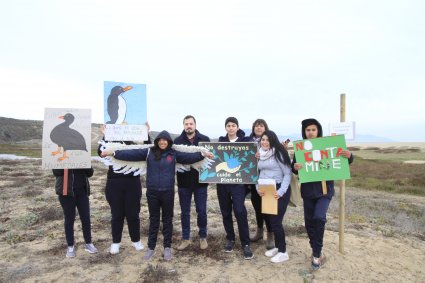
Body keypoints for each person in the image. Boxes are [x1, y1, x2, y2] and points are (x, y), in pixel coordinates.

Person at [101, 130, 213, 261]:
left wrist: (202, 154)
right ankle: (151, 248)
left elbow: (189, 157)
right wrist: (113, 153)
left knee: (167, 220)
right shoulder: (149, 152)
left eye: (165, 140)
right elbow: (131, 154)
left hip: (168, 192)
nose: (162, 142)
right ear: (157, 141)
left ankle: (167, 248)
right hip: (152, 193)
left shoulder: (174, 153)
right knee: (154, 220)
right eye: (160, 140)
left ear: (169, 142)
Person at [291, 118, 354, 270]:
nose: (311, 132)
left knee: (319, 218)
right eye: (308, 130)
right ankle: (316, 250)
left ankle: (317, 254)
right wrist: (295, 166)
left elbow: (345, 159)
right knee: (309, 223)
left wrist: (349, 155)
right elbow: (294, 169)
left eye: (313, 129)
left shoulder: (328, 144)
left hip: (324, 191)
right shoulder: (301, 148)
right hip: (307, 191)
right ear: (304, 132)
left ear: (318, 130)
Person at [97, 124, 151, 255]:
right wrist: (106, 135)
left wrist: (146, 133)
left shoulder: (133, 142)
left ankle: (136, 240)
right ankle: (116, 242)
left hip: (133, 181)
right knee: (117, 214)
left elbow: (148, 151)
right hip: (114, 182)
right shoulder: (111, 141)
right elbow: (101, 152)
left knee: (133, 214)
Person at [216, 117, 254, 260]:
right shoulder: (221, 142)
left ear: (237, 127)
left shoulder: (245, 142)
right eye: (228, 125)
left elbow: (250, 157)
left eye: (233, 125)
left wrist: (254, 155)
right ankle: (230, 239)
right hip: (222, 184)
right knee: (225, 212)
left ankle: (245, 243)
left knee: (239, 211)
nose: (231, 128)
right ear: (225, 127)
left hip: (238, 184)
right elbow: (217, 158)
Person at [174, 115, 210, 251]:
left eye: (191, 124)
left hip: (201, 182)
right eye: (186, 124)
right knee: (185, 212)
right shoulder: (177, 141)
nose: (188, 126)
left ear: (195, 125)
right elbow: (180, 158)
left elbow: (211, 159)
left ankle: (203, 237)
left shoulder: (204, 140)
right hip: (184, 182)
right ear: (183, 125)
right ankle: (185, 238)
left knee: (201, 211)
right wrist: (199, 156)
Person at [256, 130, 292, 263]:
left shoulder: (279, 153)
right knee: (271, 221)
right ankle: (278, 247)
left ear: (273, 140)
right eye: (263, 140)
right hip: (266, 190)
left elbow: (288, 174)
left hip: (279, 190)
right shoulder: (261, 154)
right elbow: (260, 172)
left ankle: (283, 252)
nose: (265, 142)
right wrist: (258, 188)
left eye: (267, 140)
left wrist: (281, 191)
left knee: (276, 222)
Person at [53, 168, 98, 258]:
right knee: (69, 219)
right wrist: (66, 164)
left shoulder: (82, 155)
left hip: (82, 192)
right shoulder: (61, 156)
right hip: (66, 193)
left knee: (86, 218)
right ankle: (70, 246)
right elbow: (56, 172)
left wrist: (85, 164)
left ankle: (88, 243)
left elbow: (90, 173)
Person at [247, 119, 274, 249]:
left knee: (267, 207)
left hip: (267, 179)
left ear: (265, 128)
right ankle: (259, 231)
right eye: (256, 126)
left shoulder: (270, 141)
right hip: (253, 178)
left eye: (261, 126)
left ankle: (270, 234)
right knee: (257, 205)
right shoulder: (247, 141)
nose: (258, 128)